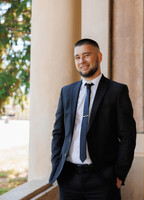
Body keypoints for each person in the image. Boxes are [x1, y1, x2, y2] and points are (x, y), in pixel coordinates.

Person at [49, 38, 136, 200]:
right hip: (69, 178)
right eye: (77, 57)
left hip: (103, 180)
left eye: (86, 55)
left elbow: (127, 136)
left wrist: (119, 175)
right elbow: (58, 133)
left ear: (99, 57)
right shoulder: (66, 92)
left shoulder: (117, 91)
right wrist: (57, 165)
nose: (81, 61)